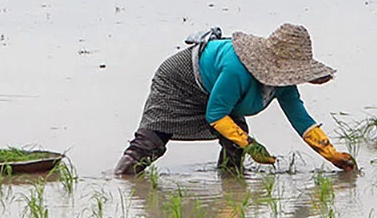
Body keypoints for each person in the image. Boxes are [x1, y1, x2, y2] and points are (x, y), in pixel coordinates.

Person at [115, 23, 357, 175]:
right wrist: (253, 147)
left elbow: (301, 119)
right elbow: (215, 114)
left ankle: (230, 185)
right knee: (152, 142)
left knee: (236, 135)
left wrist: (332, 154)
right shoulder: (237, 70)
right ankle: (120, 180)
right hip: (180, 80)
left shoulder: (283, 85)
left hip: (214, 87)